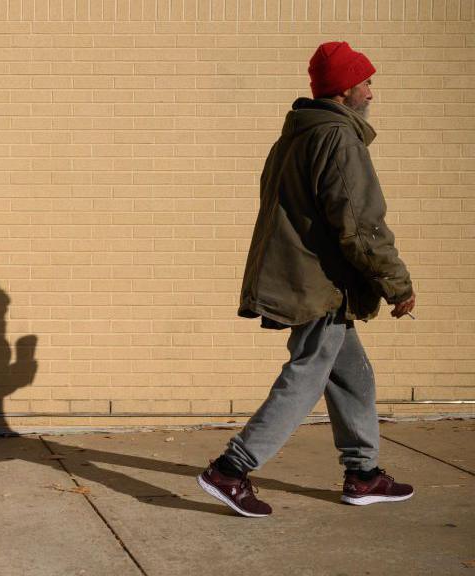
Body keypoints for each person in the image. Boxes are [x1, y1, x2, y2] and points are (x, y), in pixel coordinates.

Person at [197, 42, 417, 517]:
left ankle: (363, 475)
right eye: (365, 82)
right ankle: (231, 470)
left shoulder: (296, 135)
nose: (372, 91)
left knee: (353, 378)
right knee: (305, 376)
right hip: (319, 286)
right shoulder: (337, 138)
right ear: (343, 89)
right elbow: (360, 224)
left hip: (311, 282)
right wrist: (396, 284)